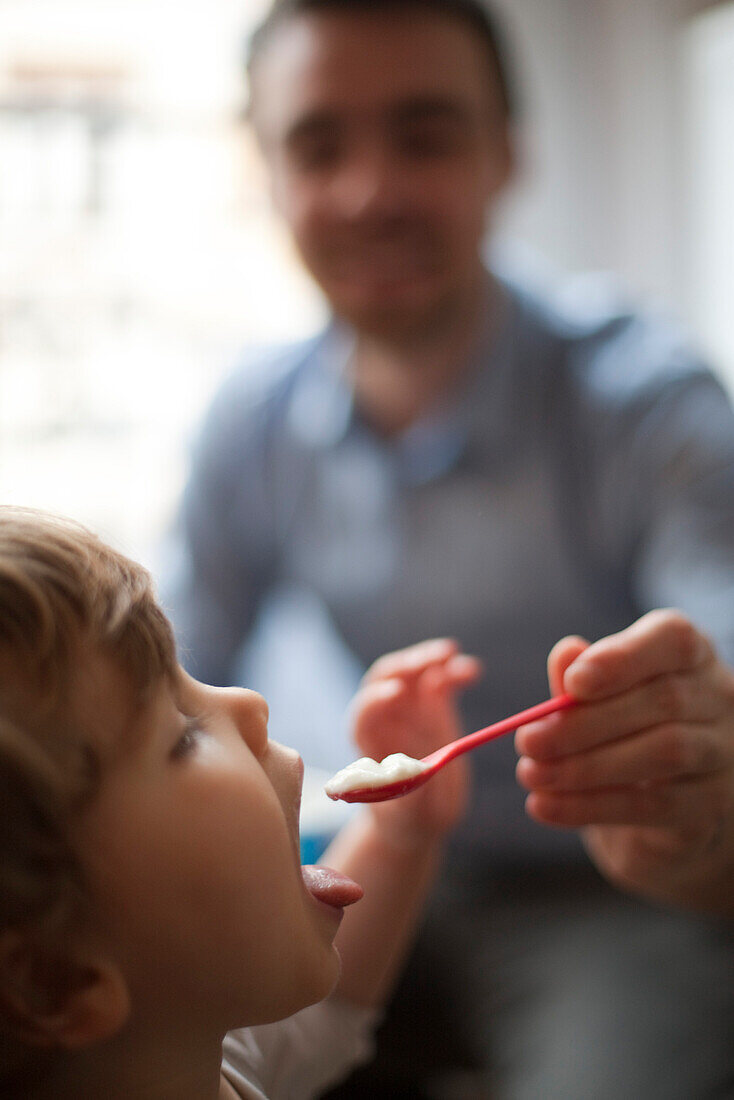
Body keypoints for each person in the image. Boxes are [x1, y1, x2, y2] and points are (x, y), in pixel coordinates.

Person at [165, 0, 734, 1095]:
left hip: (607, 902)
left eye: (422, 134)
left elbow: (717, 668)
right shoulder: (250, 421)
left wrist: (697, 751)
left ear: (505, 154)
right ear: (269, 173)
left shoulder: (645, 402)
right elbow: (165, 681)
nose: (370, 190)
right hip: (376, 867)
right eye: (318, 143)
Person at [0, 506, 481, 1100]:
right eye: (182, 736)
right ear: (53, 984)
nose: (249, 704)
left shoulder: (195, 1056)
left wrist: (398, 834)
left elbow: (324, 1020)